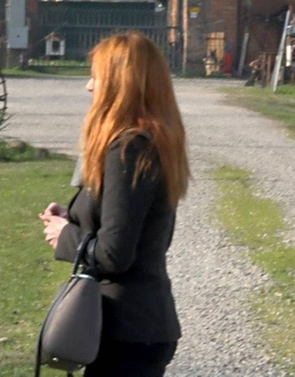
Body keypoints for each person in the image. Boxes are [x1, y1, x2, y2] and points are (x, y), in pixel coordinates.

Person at [38, 32, 191, 377]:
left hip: (128, 334)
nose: (88, 87)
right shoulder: (152, 141)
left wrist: (66, 235)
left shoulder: (130, 149)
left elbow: (114, 254)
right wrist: (73, 221)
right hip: (135, 329)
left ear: (120, 84)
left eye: (95, 76)